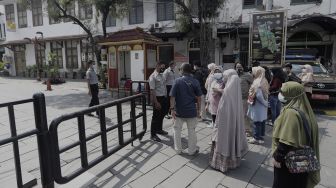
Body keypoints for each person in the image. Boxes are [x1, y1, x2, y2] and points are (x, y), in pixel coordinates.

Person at [272, 82, 320, 188]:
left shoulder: (291, 113)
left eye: (283, 92)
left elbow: (286, 141)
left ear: (292, 95)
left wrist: (277, 158)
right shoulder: (304, 109)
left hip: (289, 162)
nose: (281, 94)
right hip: (302, 161)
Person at [209, 69, 248, 173]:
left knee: (224, 139)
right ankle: (233, 161)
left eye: (226, 78)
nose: (224, 80)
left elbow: (222, 111)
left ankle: (222, 164)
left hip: (224, 124)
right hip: (231, 123)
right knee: (232, 138)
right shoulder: (235, 93)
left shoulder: (227, 94)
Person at [170, 63, 202, 155]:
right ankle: (191, 151)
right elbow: (199, 97)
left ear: (182, 71)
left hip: (179, 111)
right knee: (192, 131)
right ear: (190, 70)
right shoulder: (195, 81)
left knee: (176, 130)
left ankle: (178, 150)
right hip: (191, 111)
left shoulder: (177, 81)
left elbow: (172, 97)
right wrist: (199, 110)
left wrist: (172, 109)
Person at [247, 66, 269, 144]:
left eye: (254, 71)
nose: (253, 73)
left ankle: (256, 138)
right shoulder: (264, 80)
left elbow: (259, 95)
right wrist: (266, 103)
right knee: (262, 121)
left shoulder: (257, 82)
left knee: (256, 121)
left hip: (258, 105)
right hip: (262, 105)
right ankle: (261, 136)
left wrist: (264, 103)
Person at [148, 62, 169, 142]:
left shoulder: (162, 75)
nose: (163, 69)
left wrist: (166, 95)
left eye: (164, 67)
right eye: (161, 67)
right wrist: (156, 102)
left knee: (163, 114)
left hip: (163, 97)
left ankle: (159, 129)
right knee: (156, 116)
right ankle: (153, 134)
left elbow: (164, 86)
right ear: (157, 66)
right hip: (157, 98)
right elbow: (152, 91)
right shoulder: (153, 77)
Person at [235, 63, 253, 136]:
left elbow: (253, 85)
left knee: (245, 115)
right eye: (237, 67)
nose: (239, 69)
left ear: (243, 67)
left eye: (240, 67)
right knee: (237, 114)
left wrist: (250, 94)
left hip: (244, 98)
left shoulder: (248, 75)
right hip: (235, 98)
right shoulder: (234, 76)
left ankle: (247, 130)